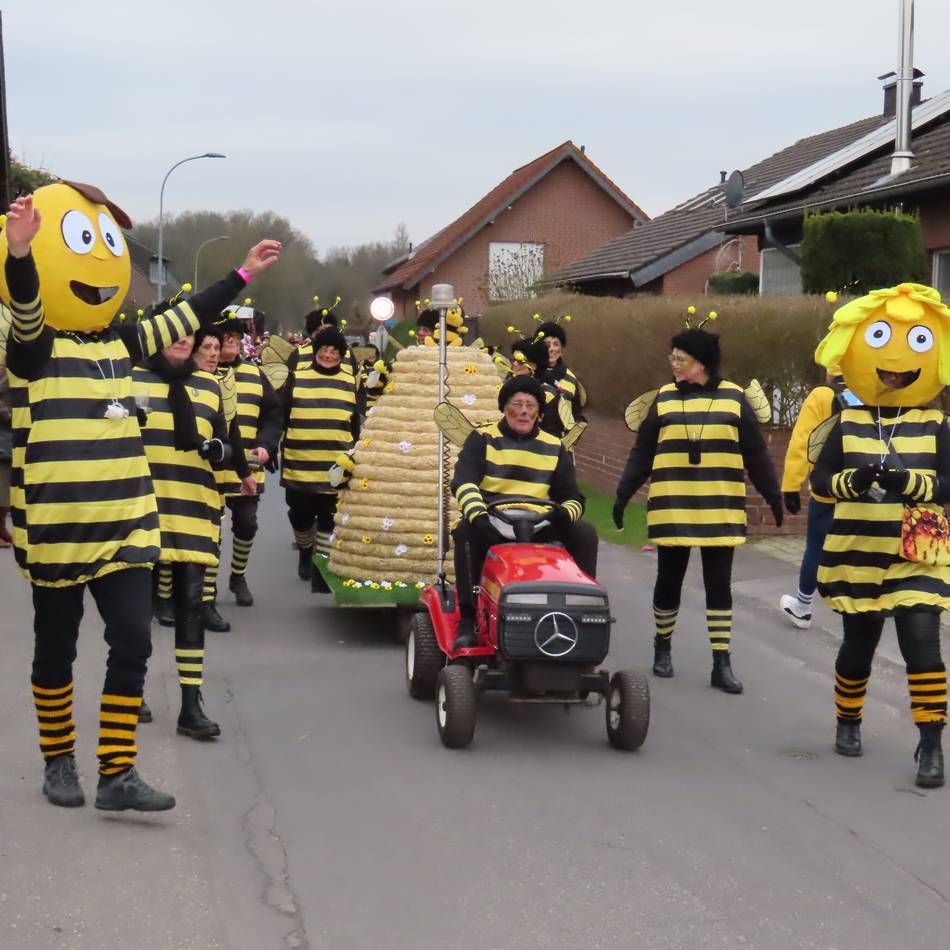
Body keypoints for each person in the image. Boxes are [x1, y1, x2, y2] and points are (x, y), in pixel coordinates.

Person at [0, 183, 280, 809]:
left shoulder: (121, 346)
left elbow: (186, 313)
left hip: (126, 524)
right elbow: (27, 308)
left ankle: (117, 772)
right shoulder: (35, 352)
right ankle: (58, 761)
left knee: (132, 642)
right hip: (58, 528)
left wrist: (242, 274)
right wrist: (19, 254)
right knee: (56, 651)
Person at [811, 283, 950, 788]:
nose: (894, 364)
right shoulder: (846, 420)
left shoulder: (937, 423)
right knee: (859, 642)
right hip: (858, 552)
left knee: (922, 643)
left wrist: (910, 484)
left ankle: (931, 743)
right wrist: (854, 481)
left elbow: (949, 483)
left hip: (919, 552)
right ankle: (848, 720)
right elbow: (820, 481)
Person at [613, 321, 782, 694]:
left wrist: (773, 496)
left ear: (702, 362)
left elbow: (756, 454)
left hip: (720, 508)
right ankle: (662, 648)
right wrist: (624, 493)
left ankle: (721, 662)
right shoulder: (664, 398)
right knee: (668, 580)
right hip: (672, 505)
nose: (673, 364)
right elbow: (642, 452)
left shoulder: (734, 398)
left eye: (681, 358)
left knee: (718, 585)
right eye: (672, 357)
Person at [134, 331, 240, 740]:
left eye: (189, 335)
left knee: (191, 607)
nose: (182, 341)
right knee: (135, 610)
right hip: (140, 508)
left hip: (193, 508)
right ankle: (132, 690)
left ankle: (191, 706)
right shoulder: (132, 378)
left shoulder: (210, 386)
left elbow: (229, 443)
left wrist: (221, 452)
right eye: (174, 334)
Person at [450, 374, 597, 649]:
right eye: (517, 404)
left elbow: (573, 497)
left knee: (584, 533)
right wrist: (478, 516)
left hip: (539, 523)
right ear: (504, 408)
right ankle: (469, 619)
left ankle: (582, 612)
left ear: (539, 412)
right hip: (492, 521)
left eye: (531, 405)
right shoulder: (482, 439)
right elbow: (464, 482)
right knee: (466, 532)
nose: (524, 411)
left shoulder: (555, 446)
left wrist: (564, 515)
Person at [281, 326, 360, 583]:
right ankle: (306, 550)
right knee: (300, 516)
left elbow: (355, 426)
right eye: (324, 349)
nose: (328, 355)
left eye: (334, 351)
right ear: (316, 351)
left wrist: (358, 454)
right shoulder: (297, 378)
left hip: (335, 464)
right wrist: (272, 446)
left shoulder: (349, 382)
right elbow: (281, 416)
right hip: (299, 464)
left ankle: (321, 568)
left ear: (341, 355)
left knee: (329, 519)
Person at [216, 314, 283, 606]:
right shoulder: (201, 372)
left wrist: (266, 444)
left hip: (248, 467)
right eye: (225, 338)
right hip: (210, 467)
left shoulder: (255, 374)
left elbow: (273, 415)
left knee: (247, 524)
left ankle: (238, 575)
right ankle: (204, 586)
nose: (231, 343)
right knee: (210, 532)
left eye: (235, 337)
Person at [778, 371, 853, 628]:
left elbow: (803, 443)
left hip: (828, 489)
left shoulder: (823, 395)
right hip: (865, 488)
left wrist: (791, 484)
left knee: (816, 546)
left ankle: (802, 607)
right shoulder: (877, 392)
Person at [537, 317, 584, 419]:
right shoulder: (527, 371)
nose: (551, 349)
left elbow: (575, 414)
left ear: (561, 349)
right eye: (547, 344)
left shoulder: (570, 378)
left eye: (556, 344)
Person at [0, 364, 11, 548]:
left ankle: (1, 527)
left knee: (6, 489)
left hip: (10, 437)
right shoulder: (8, 372)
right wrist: (8, 416)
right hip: (3, 433)